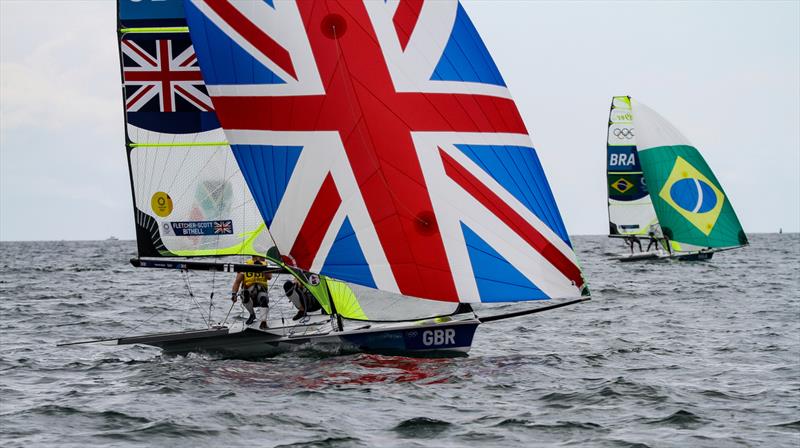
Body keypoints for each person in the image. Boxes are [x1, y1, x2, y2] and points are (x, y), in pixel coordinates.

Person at [231, 255, 272, 328]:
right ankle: (252, 315)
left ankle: (263, 322)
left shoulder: (266, 264)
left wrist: (262, 267)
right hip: (248, 295)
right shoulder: (245, 265)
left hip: (260, 293)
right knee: (245, 293)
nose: (264, 258)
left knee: (264, 298)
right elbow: (237, 282)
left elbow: (269, 277)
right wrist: (234, 294)